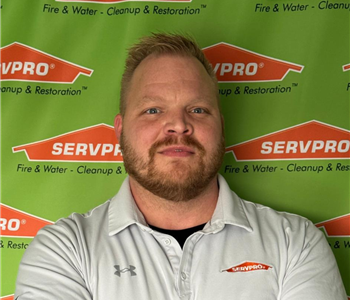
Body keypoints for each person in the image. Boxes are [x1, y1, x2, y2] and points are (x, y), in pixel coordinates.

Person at [14, 33, 347, 300]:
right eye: (153, 111)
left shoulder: (295, 244)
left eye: (198, 110)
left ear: (222, 128)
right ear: (119, 130)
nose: (178, 125)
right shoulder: (64, 251)